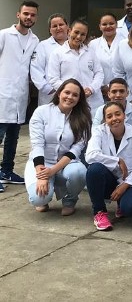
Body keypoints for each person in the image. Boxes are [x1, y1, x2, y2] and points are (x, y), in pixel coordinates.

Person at [24, 79, 91, 215]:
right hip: (41, 162)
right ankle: (45, 197)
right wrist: (42, 174)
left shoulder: (83, 118)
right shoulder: (41, 112)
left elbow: (76, 150)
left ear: (79, 99)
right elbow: (37, 144)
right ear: (59, 93)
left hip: (66, 163)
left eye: (75, 95)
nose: (70, 97)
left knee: (79, 172)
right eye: (67, 92)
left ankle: (70, 199)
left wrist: (53, 170)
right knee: (38, 199)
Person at [85, 101, 132, 231]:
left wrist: (125, 185)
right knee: (94, 169)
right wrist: (117, 160)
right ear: (105, 120)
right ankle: (99, 212)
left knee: (131, 209)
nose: (114, 119)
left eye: (118, 114)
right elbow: (90, 155)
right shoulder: (99, 132)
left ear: (124, 116)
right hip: (108, 180)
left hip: (128, 182)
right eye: (109, 116)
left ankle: (121, 204)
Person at [0, 0, 40, 189]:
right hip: (2, 94)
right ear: (18, 15)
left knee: (13, 137)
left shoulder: (35, 40)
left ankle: (6, 171)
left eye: (32, 15)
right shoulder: (4, 36)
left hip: (20, 96)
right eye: (26, 14)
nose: (29, 17)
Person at [48, 18, 104, 114]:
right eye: (76, 32)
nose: (78, 37)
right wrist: (71, 92)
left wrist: (91, 88)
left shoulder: (90, 52)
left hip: (93, 102)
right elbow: (54, 79)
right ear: (69, 31)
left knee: (94, 127)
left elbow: (99, 73)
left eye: (83, 34)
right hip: (71, 102)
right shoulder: (57, 53)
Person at [31, 13, 68, 106]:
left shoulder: (75, 45)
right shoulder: (42, 46)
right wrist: (47, 89)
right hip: (50, 95)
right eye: (54, 26)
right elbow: (36, 70)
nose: (58, 28)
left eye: (61, 24)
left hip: (71, 94)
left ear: (67, 27)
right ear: (50, 30)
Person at [89, 13, 120, 100]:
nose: (108, 26)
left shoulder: (126, 42)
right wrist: (101, 86)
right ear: (100, 26)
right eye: (104, 24)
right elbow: (90, 69)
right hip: (99, 91)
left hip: (120, 90)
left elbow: (127, 69)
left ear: (117, 25)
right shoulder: (93, 44)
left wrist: (111, 86)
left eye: (111, 23)